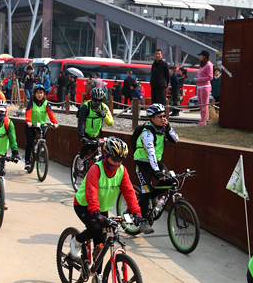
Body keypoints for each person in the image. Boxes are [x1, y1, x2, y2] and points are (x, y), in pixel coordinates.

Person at [70, 137, 144, 260]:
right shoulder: (96, 169)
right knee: (96, 228)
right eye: (114, 159)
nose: (117, 163)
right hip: (83, 205)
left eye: (120, 160)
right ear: (106, 155)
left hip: (101, 207)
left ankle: (97, 276)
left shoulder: (122, 171)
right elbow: (91, 193)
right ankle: (76, 241)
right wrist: (96, 213)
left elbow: (129, 192)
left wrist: (136, 212)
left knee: (101, 244)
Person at [132, 103, 179, 234]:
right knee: (146, 190)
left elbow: (176, 139)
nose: (163, 118)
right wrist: (157, 172)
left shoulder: (163, 129)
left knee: (169, 182)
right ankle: (143, 221)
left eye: (164, 115)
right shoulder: (147, 133)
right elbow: (150, 153)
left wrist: (168, 127)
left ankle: (151, 197)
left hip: (156, 161)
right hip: (142, 162)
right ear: (152, 118)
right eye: (160, 116)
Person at [24, 84, 59, 172]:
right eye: (38, 93)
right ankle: (27, 161)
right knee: (30, 142)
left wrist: (55, 123)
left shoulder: (47, 103)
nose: (40, 95)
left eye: (41, 93)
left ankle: (41, 147)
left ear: (44, 94)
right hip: (31, 125)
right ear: (34, 94)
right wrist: (28, 121)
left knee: (44, 133)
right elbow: (28, 112)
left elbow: (51, 114)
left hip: (41, 125)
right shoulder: (31, 102)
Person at [76, 87, 113, 164]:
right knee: (86, 147)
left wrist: (104, 116)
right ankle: (80, 159)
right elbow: (81, 122)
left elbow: (110, 123)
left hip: (96, 133)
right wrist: (82, 136)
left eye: (99, 100)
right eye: (95, 100)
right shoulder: (85, 107)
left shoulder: (104, 107)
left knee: (96, 153)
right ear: (91, 98)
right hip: (85, 132)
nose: (97, 102)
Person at [195, 50, 213, 125]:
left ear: (204, 56)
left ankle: (203, 121)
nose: (200, 57)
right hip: (199, 86)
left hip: (205, 86)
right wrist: (197, 78)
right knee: (200, 105)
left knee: (204, 105)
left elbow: (210, 77)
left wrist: (199, 79)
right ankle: (202, 119)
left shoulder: (209, 65)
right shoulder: (202, 65)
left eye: (201, 55)